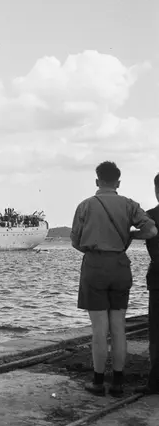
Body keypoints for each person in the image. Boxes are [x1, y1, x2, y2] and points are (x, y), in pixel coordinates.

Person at [71, 161, 158, 397]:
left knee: (99, 329)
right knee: (118, 326)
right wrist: (130, 236)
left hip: (95, 266)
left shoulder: (85, 206)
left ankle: (98, 382)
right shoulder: (129, 205)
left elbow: (75, 241)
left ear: (97, 181)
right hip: (120, 266)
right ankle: (118, 382)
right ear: (118, 183)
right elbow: (151, 231)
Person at [133, 173, 159, 394]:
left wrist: (130, 235)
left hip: (158, 277)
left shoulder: (151, 216)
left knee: (156, 334)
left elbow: (143, 233)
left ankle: (154, 383)